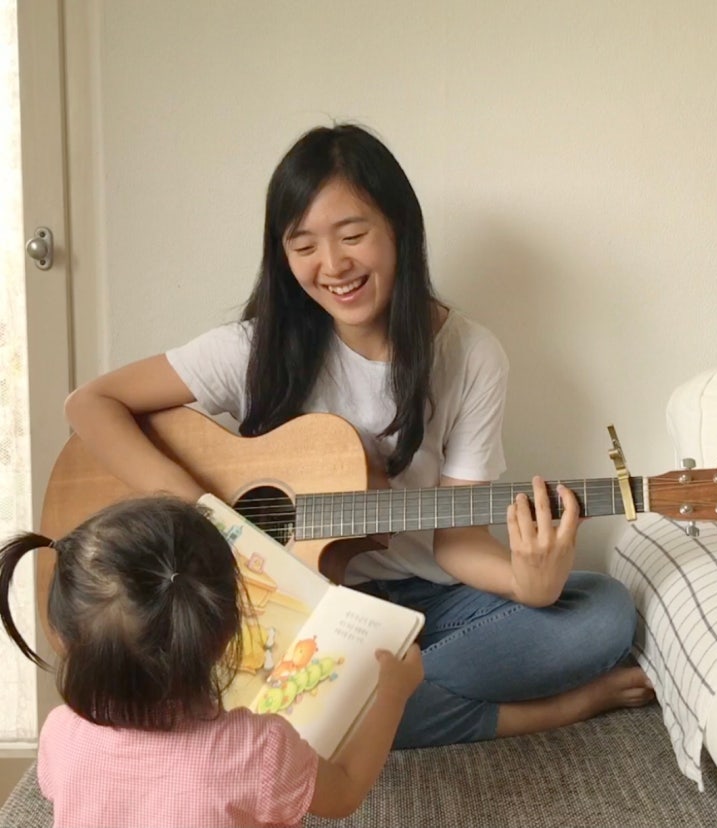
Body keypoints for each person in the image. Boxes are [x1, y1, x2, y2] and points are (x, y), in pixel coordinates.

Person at [64, 122, 653, 751]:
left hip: (434, 601)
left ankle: (352, 707)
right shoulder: (252, 350)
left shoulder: (471, 355)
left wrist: (525, 583)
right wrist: (198, 510)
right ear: (282, 256)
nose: (333, 265)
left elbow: (455, 540)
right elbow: (90, 404)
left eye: (352, 235)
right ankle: (532, 709)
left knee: (603, 614)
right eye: (304, 245)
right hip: (300, 613)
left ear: (400, 228)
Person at [0, 496, 423, 828]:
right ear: (226, 638)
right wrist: (392, 694)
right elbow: (345, 794)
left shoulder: (61, 734)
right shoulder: (260, 750)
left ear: (64, 638)